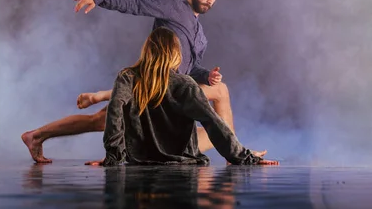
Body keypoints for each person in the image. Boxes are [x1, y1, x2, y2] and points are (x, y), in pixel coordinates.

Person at [22, 0, 254, 163]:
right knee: (100, 121)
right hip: (152, 85)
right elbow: (136, 4)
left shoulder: (201, 35)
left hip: (173, 93)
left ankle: (39, 134)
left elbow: (191, 69)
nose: (210, 0)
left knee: (219, 89)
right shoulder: (172, 5)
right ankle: (237, 152)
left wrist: (208, 75)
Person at [86, 27, 278, 166]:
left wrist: (113, 157)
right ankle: (243, 151)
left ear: (147, 50)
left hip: (139, 160)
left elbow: (114, 114)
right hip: (181, 162)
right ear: (175, 54)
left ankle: (242, 151)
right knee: (218, 124)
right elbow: (212, 121)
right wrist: (245, 158)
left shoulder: (127, 77)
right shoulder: (184, 83)